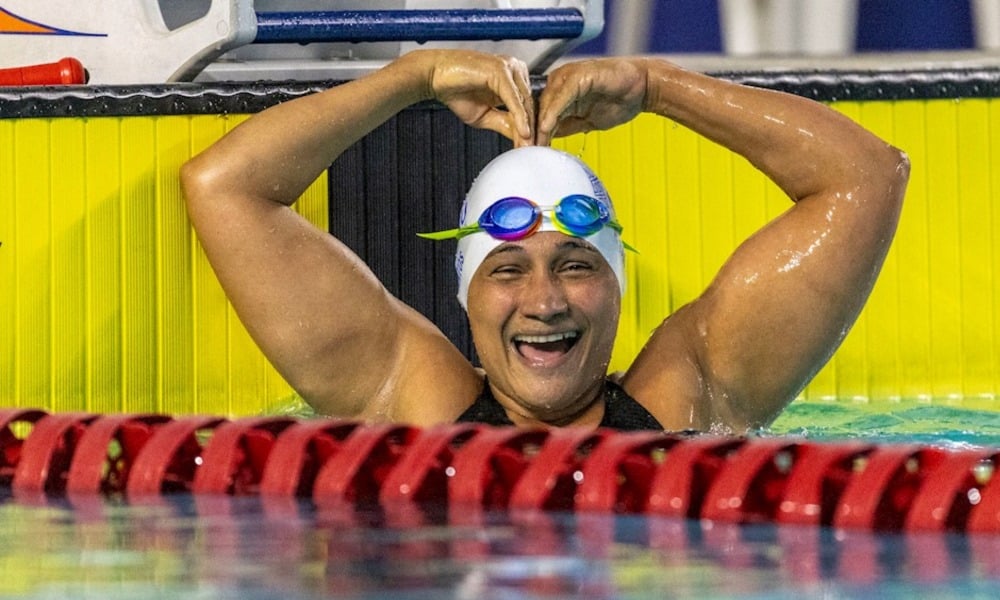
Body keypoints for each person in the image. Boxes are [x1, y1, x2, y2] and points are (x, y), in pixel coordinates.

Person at [180, 49, 908, 432]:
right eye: (506, 270)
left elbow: (869, 176)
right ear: (465, 294)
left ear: (619, 284)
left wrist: (658, 85)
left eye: (575, 265)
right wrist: (412, 77)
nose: (545, 301)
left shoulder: (693, 401)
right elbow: (225, 187)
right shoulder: (409, 398)